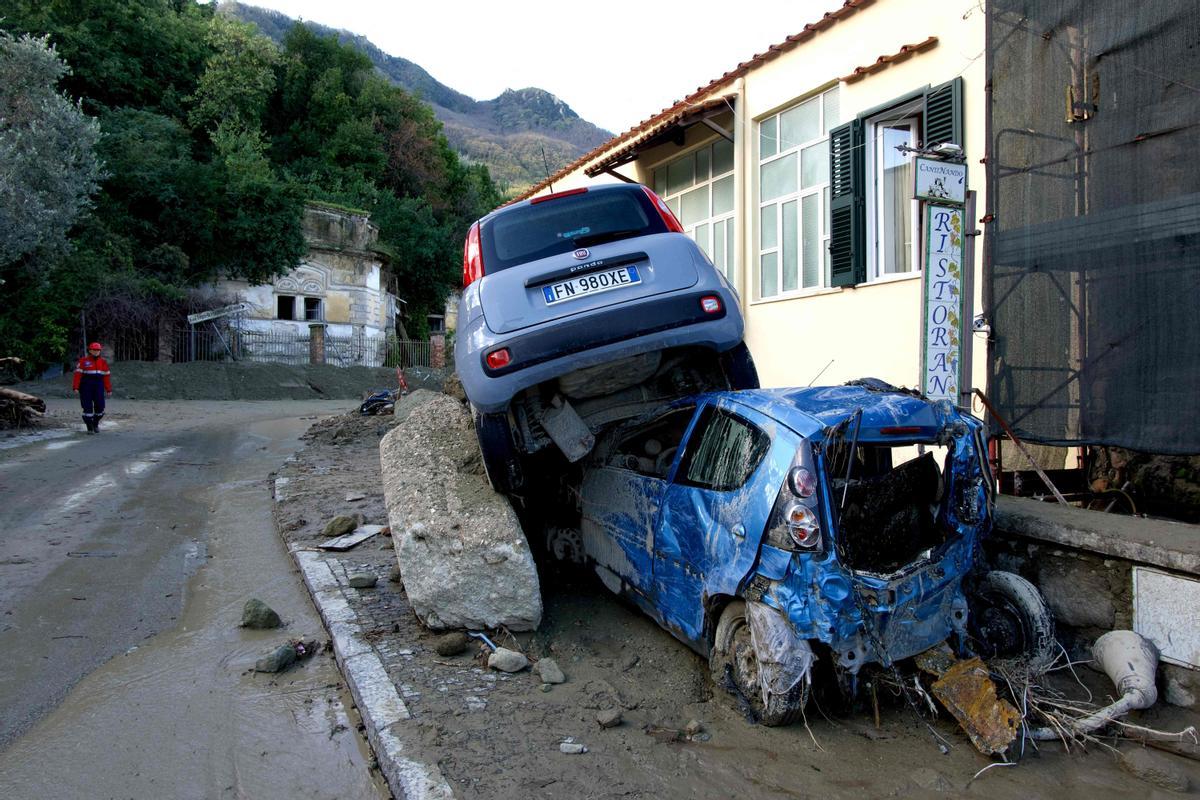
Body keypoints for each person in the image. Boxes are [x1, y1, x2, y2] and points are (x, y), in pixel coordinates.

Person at [73, 342, 112, 433]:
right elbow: (77, 375)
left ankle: (95, 423)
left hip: (98, 386)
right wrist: (76, 387)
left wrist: (108, 389)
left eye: (98, 350)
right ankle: (89, 427)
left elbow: (106, 377)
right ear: (90, 350)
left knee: (100, 407)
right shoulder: (83, 361)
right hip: (86, 387)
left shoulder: (103, 362)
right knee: (87, 408)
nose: (96, 352)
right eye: (94, 350)